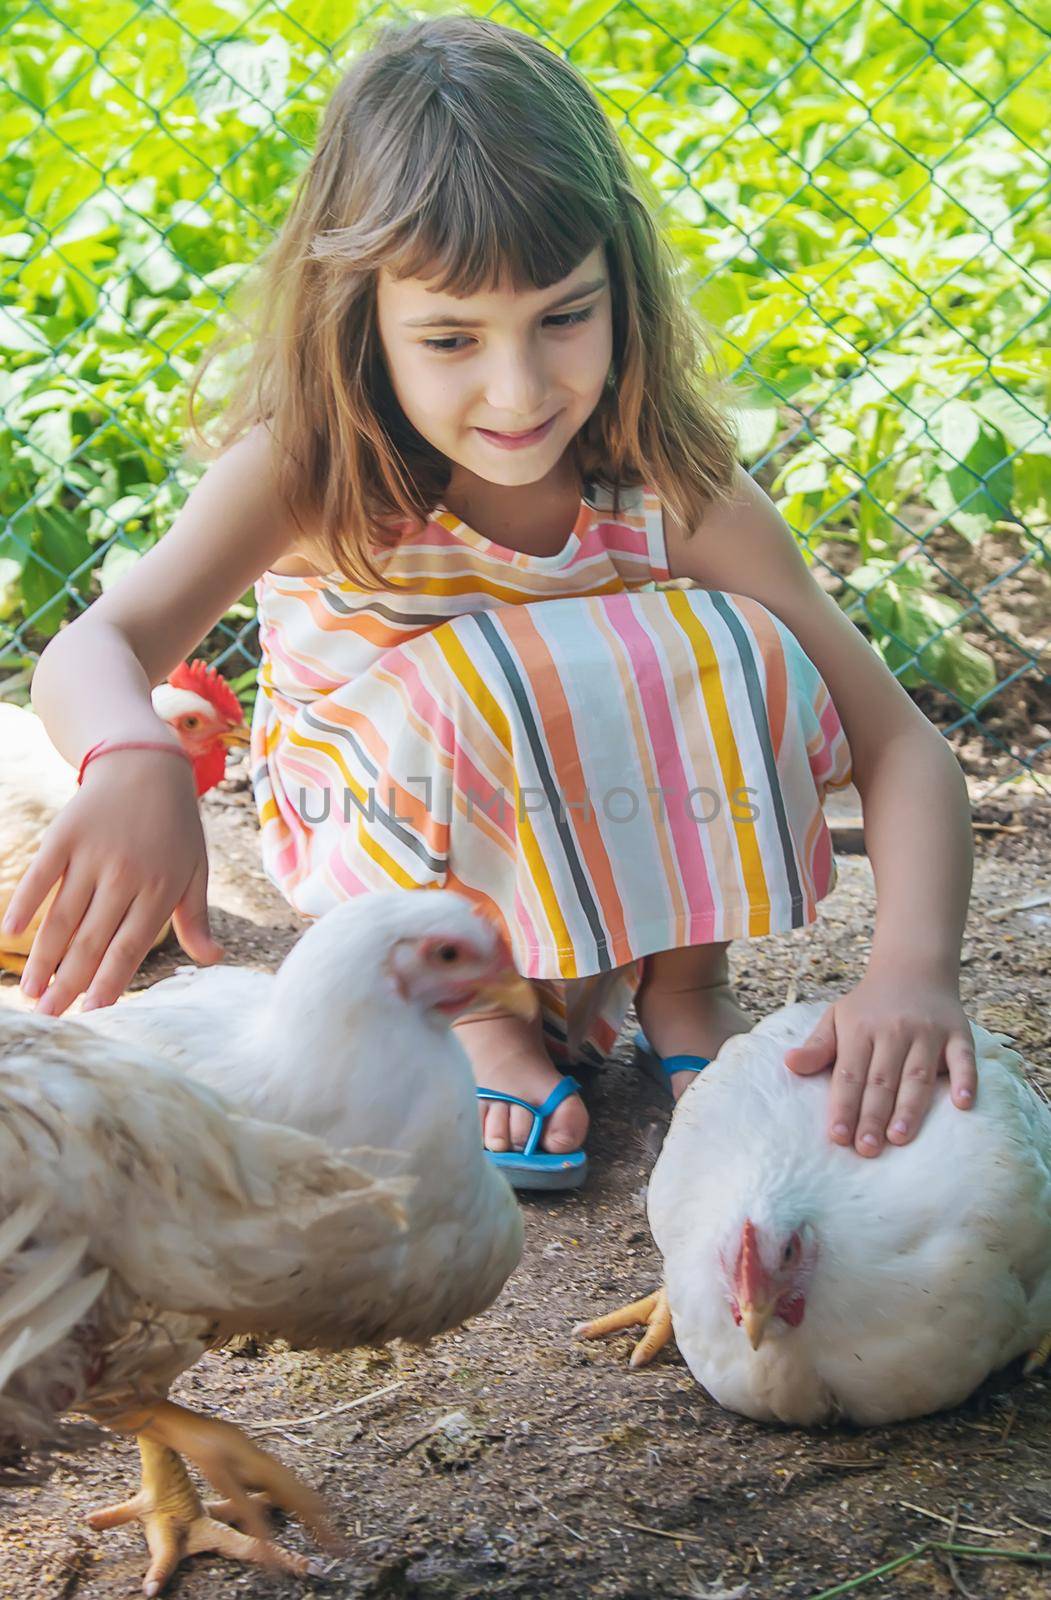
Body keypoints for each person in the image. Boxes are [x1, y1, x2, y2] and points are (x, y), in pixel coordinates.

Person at [7, 15, 977, 1190]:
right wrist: (132, 757)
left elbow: (901, 745)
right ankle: (477, 1020)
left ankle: (682, 986)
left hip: (591, 845)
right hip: (389, 840)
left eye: (563, 316)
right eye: (452, 337)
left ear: (622, 286)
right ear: (359, 314)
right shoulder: (311, 473)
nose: (518, 389)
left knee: (733, 640)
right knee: (488, 671)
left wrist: (912, 973)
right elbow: (99, 641)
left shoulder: (671, 483)